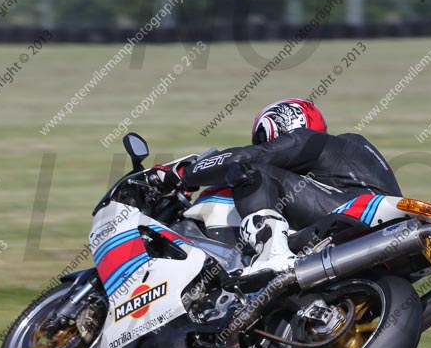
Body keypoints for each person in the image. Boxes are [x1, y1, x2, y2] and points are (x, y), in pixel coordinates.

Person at [158, 99, 401, 277]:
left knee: (252, 170)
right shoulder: (344, 153)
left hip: (355, 212)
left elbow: (245, 157)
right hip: (383, 237)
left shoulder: (310, 140)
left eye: (264, 139)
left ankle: (272, 254)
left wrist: (179, 175)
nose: (267, 145)